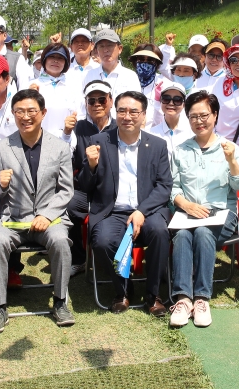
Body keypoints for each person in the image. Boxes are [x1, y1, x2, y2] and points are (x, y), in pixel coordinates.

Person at [0, 89, 75, 333]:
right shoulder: (2, 147)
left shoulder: (59, 147)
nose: (25, 116)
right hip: (13, 218)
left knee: (60, 241)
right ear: (13, 115)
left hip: (50, 218)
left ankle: (60, 302)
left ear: (43, 113)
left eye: (31, 111)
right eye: (19, 112)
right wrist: (0, 184)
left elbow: (66, 190)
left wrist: (46, 215)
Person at [78, 91, 173, 316]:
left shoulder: (157, 145)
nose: (127, 116)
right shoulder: (99, 141)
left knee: (160, 233)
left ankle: (153, 295)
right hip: (112, 211)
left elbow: (164, 186)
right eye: (122, 111)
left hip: (147, 211)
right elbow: (84, 185)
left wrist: (142, 211)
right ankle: (123, 289)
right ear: (115, 112)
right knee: (101, 241)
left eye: (133, 112)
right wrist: (90, 166)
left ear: (143, 116)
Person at [168, 91, 239, 328]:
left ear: (215, 115)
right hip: (187, 213)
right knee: (183, 234)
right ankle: (183, 299)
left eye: (204, 115)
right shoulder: (181, 150)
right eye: (193, 116)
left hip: (221, 214)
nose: (199, 121)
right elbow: (171, 187)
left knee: (204, 232)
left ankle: (202, 298)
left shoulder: (230, 147)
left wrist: (232, 161)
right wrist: (184, 204)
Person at [67, 80, 117, 276]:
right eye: (92, 100)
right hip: (85, 187)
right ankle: (79, 258)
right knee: (68, 205)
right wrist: (65, 132)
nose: (97, 104)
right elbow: (65, 154)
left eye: (102, 99)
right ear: (85, 103)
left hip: (112, 188)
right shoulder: (78, 128)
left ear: (111, 101)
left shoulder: (119, 125)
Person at [29, 44, 80, 139]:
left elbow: (79, 116)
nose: (56, 60)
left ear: (66, 62)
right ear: (44, 60)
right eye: (51, 56)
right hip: (37, 142)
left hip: (65, 143)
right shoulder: (32, 86)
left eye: (60, 58)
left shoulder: (74, 86)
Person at [82, 30, 142, 103]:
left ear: (120, 49)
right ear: (97, 51)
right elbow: (83, 103)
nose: (105, 50)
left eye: (110, 45)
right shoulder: (90, 75)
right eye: (101, 46)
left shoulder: (130, 76)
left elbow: (136, 104)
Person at [149, 81, 192, 158]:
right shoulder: (152, 134)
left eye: (177, 100)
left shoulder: (192, 132)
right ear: (160, 101)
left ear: (184, 104)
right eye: (166, 99)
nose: (171, 103)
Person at [66, 28, 100, 94]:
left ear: (92, 46)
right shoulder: (65, 70)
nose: (80, 44)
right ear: (71, 47)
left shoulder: (99, 69)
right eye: (76, 41)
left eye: (84, 41)